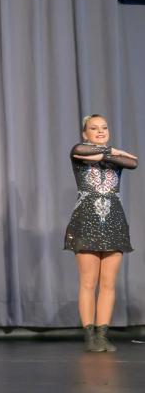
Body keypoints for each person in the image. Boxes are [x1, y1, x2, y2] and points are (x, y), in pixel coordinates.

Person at [64, 114, 137, 352]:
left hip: (114, 222)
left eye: (104, 127)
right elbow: (78, 150)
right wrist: (113, 151)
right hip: (86, 221)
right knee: (88, 282)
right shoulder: (79, 153)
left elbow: (133, 163)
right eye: (94, 128)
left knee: (108, 283)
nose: (100, 131)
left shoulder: (115, 159)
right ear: (85, 133)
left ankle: (103, 335)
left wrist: (106, 154)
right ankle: (89, 336)